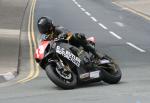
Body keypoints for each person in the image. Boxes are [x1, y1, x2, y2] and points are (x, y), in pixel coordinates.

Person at [37, 16, 110, 64]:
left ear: (49, 26)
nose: (43, 29)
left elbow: (67, 32)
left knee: (77, 36)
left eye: (44, 27)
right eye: (41, 28)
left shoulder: (57, 28)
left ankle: (99, 56)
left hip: (71, 45)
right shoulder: (44, 37)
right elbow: (42, 45)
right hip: (61, 51)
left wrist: (62, 35)